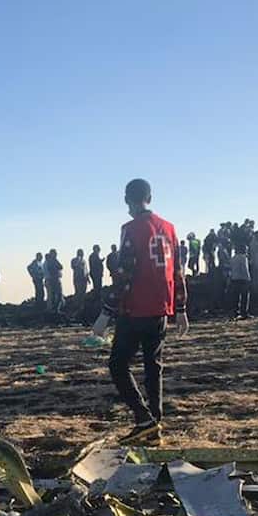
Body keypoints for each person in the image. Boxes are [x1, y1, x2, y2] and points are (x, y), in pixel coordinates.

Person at [103, 178, 186, 446]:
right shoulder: (170, 229)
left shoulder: (131, 229)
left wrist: (107, 311)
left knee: (118, 364)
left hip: (136, 308)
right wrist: (181, 308)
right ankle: (154, 425)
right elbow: (178, 271)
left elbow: (125, 275)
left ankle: (143, 419)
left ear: (127, 199)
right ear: (150, 197)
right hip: (161, 307)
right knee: (153, 366)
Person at [229, 243, 252, 319]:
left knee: (235, 297)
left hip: (234, 279)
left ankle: (235, 312)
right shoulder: (243, 258)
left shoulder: (233, 258)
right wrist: (248, 279)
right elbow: (245, 269)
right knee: (245, 297)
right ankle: (244, 313)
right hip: (243, 279)